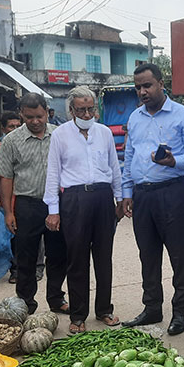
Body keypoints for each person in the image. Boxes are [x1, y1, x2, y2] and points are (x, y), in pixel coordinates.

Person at [120, 63, 184, 336]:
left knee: (179, 255)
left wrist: (175, 161)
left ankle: (180, 312)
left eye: (147, 85)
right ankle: (152, 308)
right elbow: (130, 157)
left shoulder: (183, 116)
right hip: (142, 195)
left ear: (161, 84)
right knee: (148, 254)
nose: (142, 92)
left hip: (172, 192)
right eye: (138, 87)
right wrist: (126, 192)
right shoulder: (135, 118)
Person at [44, 86, 123, 334]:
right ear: (71, 110)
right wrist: (53, 209)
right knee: (77, 259)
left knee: (104, 257)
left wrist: (120, 197)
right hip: (75, 200)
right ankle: (78, 316)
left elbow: (114, 167)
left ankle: (104, 310)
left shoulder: (104, 133)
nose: (87, 114)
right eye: (82, 110)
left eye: (91, 109)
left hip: (102, 197)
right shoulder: (60, 135)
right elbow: (53, 173)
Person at [0, 92, 68, 315]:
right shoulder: (12, 141)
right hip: (27, 205)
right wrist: (8, 212)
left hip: (57, 204)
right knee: (26, 257)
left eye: (39, 116)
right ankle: (26, 303)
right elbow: (6, 177)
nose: (35, 122)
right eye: (29, 117)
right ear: (21, 115)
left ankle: (56, 298)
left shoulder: (60, 135)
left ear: (47, 112)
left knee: (58, 254)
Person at [0, 111, 24, 284]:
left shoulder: (26, 144)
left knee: (24, 236)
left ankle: (27, 268)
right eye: (11, 126)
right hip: (6, 199)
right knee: (9, 236)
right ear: (3, 128)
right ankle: (14, 269)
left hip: (24, 197)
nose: (15, 130)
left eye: (18, 126)